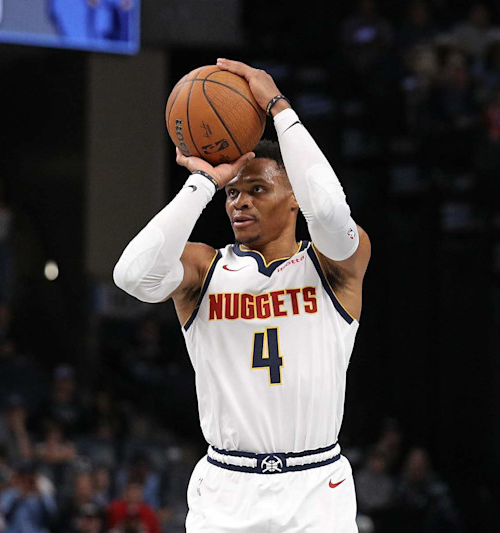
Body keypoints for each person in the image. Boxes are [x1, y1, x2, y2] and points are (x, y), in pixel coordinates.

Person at [113, 58, 371, 531]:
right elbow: (131, 276)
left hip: (316, 490)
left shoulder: (332, 265)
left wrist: (278, 108)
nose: (240, 201)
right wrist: (204, 181)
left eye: (257, 188)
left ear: (295, 197)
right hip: (226, 488)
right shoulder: (204, 269)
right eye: (233, 193)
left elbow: (332, 211)